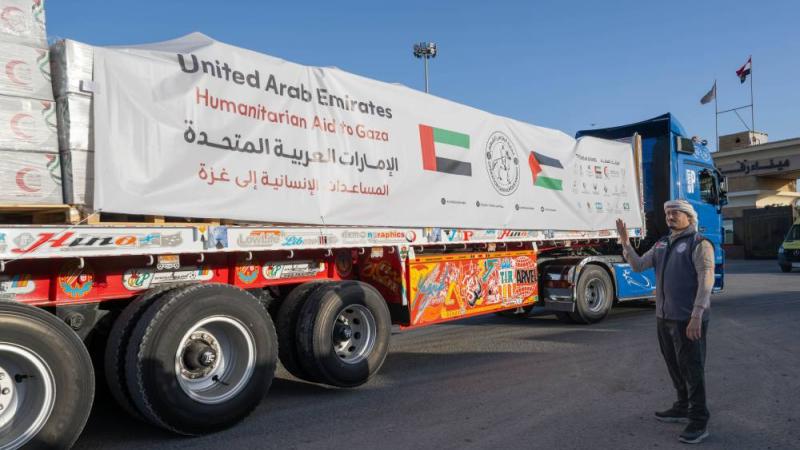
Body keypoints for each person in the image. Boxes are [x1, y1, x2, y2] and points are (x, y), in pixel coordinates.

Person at [616, 200, 715, 444]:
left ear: (689, 217)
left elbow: (707, 281)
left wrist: (697, 315)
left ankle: (699, 420)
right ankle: (682, 406)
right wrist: (626, 243)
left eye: (675, 212)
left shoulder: (699, 243)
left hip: (688, 319)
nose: (670, 216)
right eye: (668, 213)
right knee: (674, 365)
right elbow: (638, 266)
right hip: (664, 318)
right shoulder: (662, 243)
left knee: (692, 368)